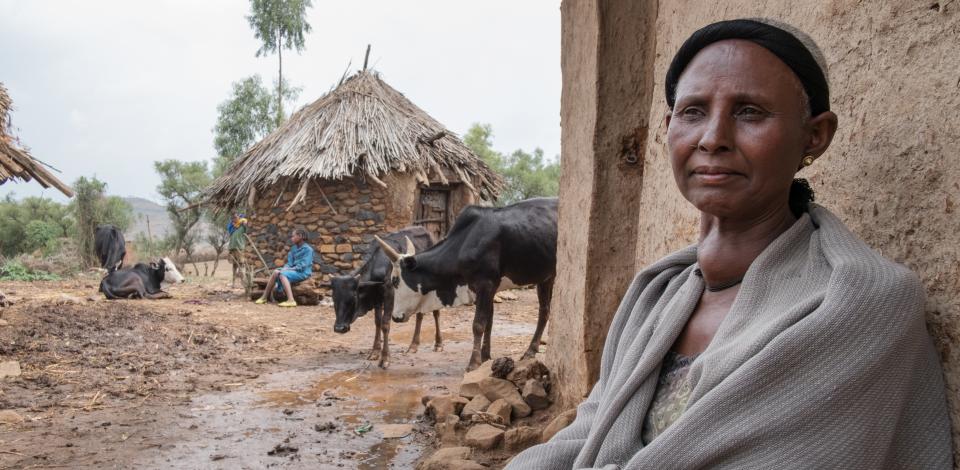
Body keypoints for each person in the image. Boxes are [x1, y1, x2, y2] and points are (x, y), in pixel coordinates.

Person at [507, 19, 952, 469]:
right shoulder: (655, 297)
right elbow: (589, 430)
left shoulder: (859, 304)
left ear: (815, 135)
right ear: (668, 128)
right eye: (693, 112)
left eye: (750, 112)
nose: (713, 138)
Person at [255, 228, 313, 307]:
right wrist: (286, 268)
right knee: (276, 272)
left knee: (283, 274)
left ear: (300, 236)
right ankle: (264, 297)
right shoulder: (293, 249)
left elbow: (303, 265)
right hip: (293, 271)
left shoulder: (308, 250)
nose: (292, 238)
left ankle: (291, 300)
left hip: (303, 272)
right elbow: (289, 263)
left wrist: (288, 269)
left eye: (293, 236)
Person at [227, 213, 248, 288]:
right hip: (232, 248)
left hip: (240, 248)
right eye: (233, 218)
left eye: (235, 217)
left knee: (241, 265)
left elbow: (246, 225)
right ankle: (233, 283)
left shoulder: (242, 226)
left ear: (238, 218)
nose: (234, 219)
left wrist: (244, 222)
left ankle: (243, 283)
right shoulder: (232, 228)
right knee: (234, 266)